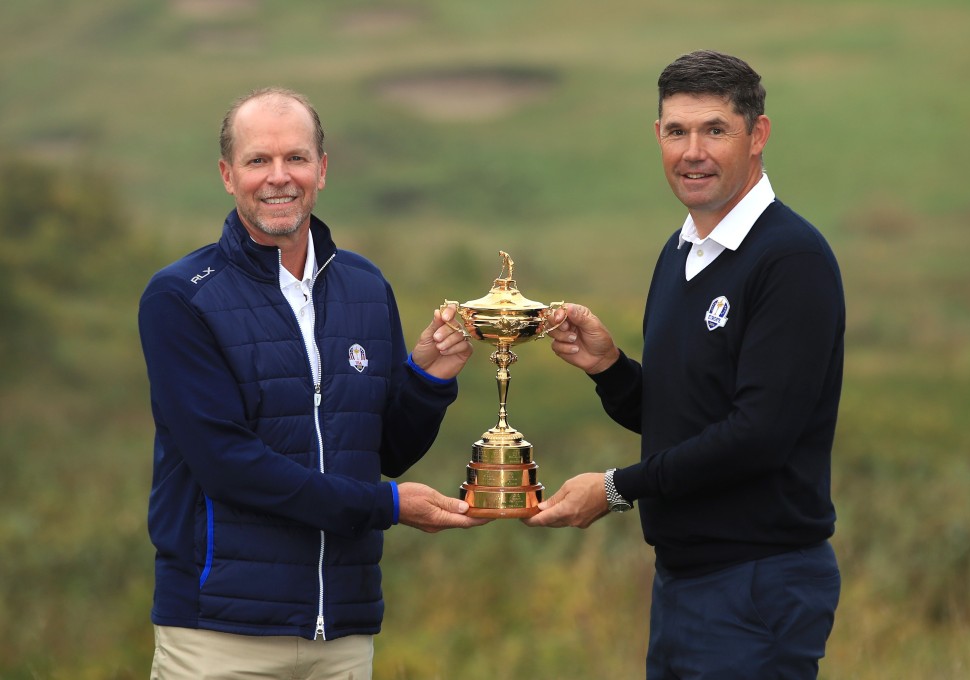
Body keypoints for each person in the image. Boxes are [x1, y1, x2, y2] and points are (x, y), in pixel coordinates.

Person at [138, 87, 486, 680]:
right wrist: (387, 506)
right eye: (258, 161)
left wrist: (426, 379)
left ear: (322, 170)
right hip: (220, 633)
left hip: (343, 633)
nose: (279, 178)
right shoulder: (180, 297)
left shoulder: (365, 285)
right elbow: (227, 463)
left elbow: (385, 452)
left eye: (296, 158)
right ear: (228, 175)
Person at [525, 51, 845, 679]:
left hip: (759, 583)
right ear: (657, 137)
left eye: (714, 130)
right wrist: (611, 369)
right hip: (684, 580)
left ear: (758, 135)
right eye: (677, 131)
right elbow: (686, 418)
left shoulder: (791, 260)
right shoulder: (680, 253)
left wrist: (617, 488)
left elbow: (758, 436)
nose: (692, 152)